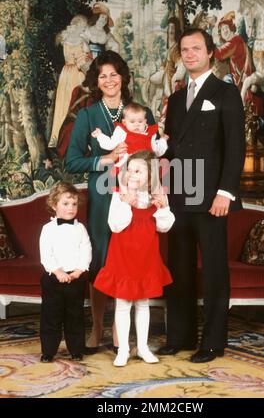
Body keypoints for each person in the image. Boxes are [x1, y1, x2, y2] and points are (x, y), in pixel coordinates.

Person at [158, 28, 245, 363]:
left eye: (196, 48)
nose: (190, 54)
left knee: (212, 272)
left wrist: (225, 192)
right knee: (178, 270)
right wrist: (161, 184)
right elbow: (171, 149)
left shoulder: (225, 93)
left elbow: (236, 147)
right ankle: (179, 337)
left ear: (211, 52)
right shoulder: (177, 98)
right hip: (179, 196)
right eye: (184, 49)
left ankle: (212, 342)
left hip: (212, 198)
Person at [65, 50, 155, 353]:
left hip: (139, 201)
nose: (109, 80)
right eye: (102, 75)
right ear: (96, 81)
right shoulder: (89, 115)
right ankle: (97, 327)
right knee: (103, 262)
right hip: (104, 198)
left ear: (123, 77)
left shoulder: (140, 111)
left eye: (113, 74)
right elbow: (72, 160)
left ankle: (121, 331)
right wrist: (106, 158)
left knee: (131, 261)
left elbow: (156, 157)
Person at [93, 150, 174, 367]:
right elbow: (116, 225)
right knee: (122, 305)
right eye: (129, 170)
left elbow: (164, 227)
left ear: (150, 176)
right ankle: (123, 350)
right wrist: (127, 203)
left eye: (138, 170)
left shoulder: (156, 197)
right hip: (123, 257)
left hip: (146, 258)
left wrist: (163, 207)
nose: (131, 174)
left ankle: (144, 347)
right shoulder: (119, 196)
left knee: (143, 304)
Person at [39, 182, 92, 362]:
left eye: (74, 204)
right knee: (50, 316)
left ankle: (76, 350)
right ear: (54, 205)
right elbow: (46, 254)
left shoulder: (80, 228)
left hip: (75, 279)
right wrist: (57, 271)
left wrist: (79, 270)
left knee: (75, 316)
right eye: (66, 204)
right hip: (53, 278)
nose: (71, 208)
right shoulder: (47, 230)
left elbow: (86, 250)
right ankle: (48, 351)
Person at [48, 14, 92, 148]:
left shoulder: (64, 39)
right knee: (69, 103)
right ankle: (64, 137)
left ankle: (62, 138)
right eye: (83, 27)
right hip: (76, 74)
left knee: (67, 103)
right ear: (77, 25)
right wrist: (85, 67)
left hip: (66, 74)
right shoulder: (81, 41)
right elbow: (86, 61)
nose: (84, 30)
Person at [91, 101, 168, 171]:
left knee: (150, 175)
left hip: (146, 167)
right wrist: (100, 135)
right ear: (124, 122)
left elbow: (157, 151)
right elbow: (110, 144)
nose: (137, 124)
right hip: (127, 166)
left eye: (140, 121)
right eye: (132, 121)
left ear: (145, 122)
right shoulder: (122, 132)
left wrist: (162, 140)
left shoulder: (150, 134)